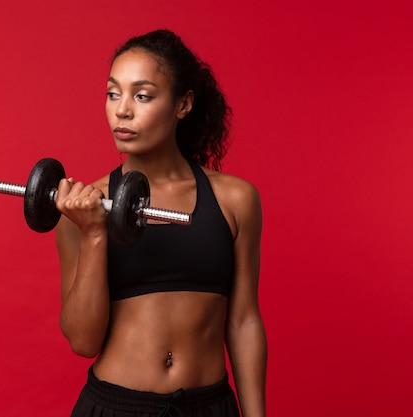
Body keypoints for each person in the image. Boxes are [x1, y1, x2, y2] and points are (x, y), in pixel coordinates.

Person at [54, 29, 266, 417]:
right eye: (113, 93)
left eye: (142, 95)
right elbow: (83, 342)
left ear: (183, 105)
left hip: (210, 407)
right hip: (117, 407)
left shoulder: (235, 200)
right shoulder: (81, 211)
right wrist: (95, 233)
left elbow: (243, 320)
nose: (122, 110)